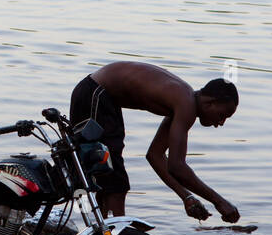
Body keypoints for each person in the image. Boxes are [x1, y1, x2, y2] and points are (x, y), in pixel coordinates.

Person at [69, 62, 240, 220]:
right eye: (222, 115)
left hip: (101, 96)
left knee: (107, 177)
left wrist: (186, 197)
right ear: (210, 103)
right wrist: (219, 202)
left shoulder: (182, 102)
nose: (221, 123)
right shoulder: (185, 104)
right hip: (96, 93)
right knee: (115, 182)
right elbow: (177, 166)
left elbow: (155, 155)